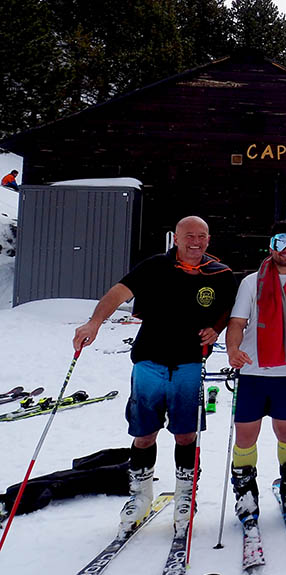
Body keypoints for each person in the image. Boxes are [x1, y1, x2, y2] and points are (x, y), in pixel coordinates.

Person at [72, 216, 236, 536]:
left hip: (190, 365)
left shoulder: (221, 274)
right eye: (189, 235)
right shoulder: (154, 266)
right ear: (175, 238)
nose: (196, 241)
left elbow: (232, 307)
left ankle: (186, 496)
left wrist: (217, 328)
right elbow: (118, 293)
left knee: (185, 435)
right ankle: (140, 496)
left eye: (202, 236)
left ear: (208, 239)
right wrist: (94, 322)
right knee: (144, 434)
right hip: (148, 364)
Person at [224, 220, 286, 532]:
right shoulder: (252, 282)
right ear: (271, 246)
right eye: (281, 242)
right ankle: (245, 495)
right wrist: (233, 349)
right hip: (253, 368)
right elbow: (237, 321)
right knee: (246, 434)